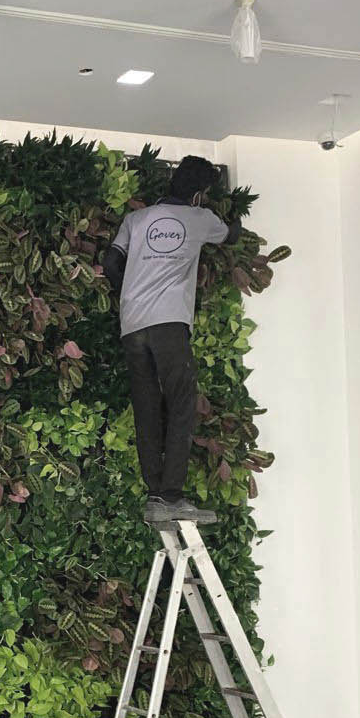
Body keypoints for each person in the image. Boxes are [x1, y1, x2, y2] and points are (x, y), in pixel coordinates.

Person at [102, 155, 241, 524]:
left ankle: (154, 495)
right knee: (181, 403)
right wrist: (233, 217)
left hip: (132, 324)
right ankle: (172, 496)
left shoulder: (136, 220)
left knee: (147, 406)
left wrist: (130, 292)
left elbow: (110, 262)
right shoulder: (200, 218)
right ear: (198, 194)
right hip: (168, 324)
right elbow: (232, 235)